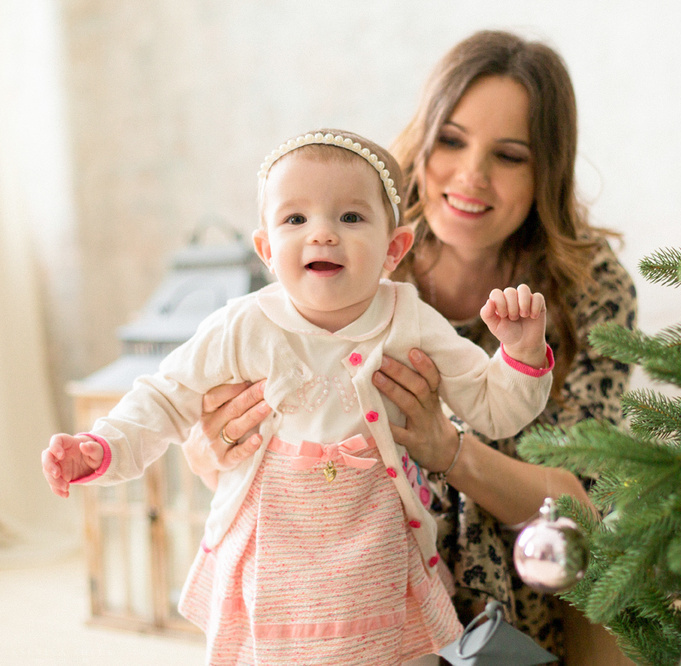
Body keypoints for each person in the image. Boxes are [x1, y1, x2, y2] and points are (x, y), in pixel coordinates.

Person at [184, 30, 637, 661]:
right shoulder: (349, 247)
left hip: (522, 582)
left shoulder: (587, 288)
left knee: (624, 587)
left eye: (509, 155)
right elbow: (224, 435)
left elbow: (578, 509)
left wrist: (446, 449)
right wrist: (213, 445)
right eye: (450, 141)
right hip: (346, 579)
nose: (470, 176)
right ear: (423, 140)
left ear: (546, 171)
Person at [41, 128, 557, 665]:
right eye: (295, 219)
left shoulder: (410, 322)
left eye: (351, 218)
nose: (323, 235)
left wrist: (519, 354)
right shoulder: (242, 325)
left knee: (396, 652)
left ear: (393, 247)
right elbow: (165, 398)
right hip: (272, 551)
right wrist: (102, 447)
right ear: (266, 248)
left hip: (374, 551)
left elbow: (495, 409)